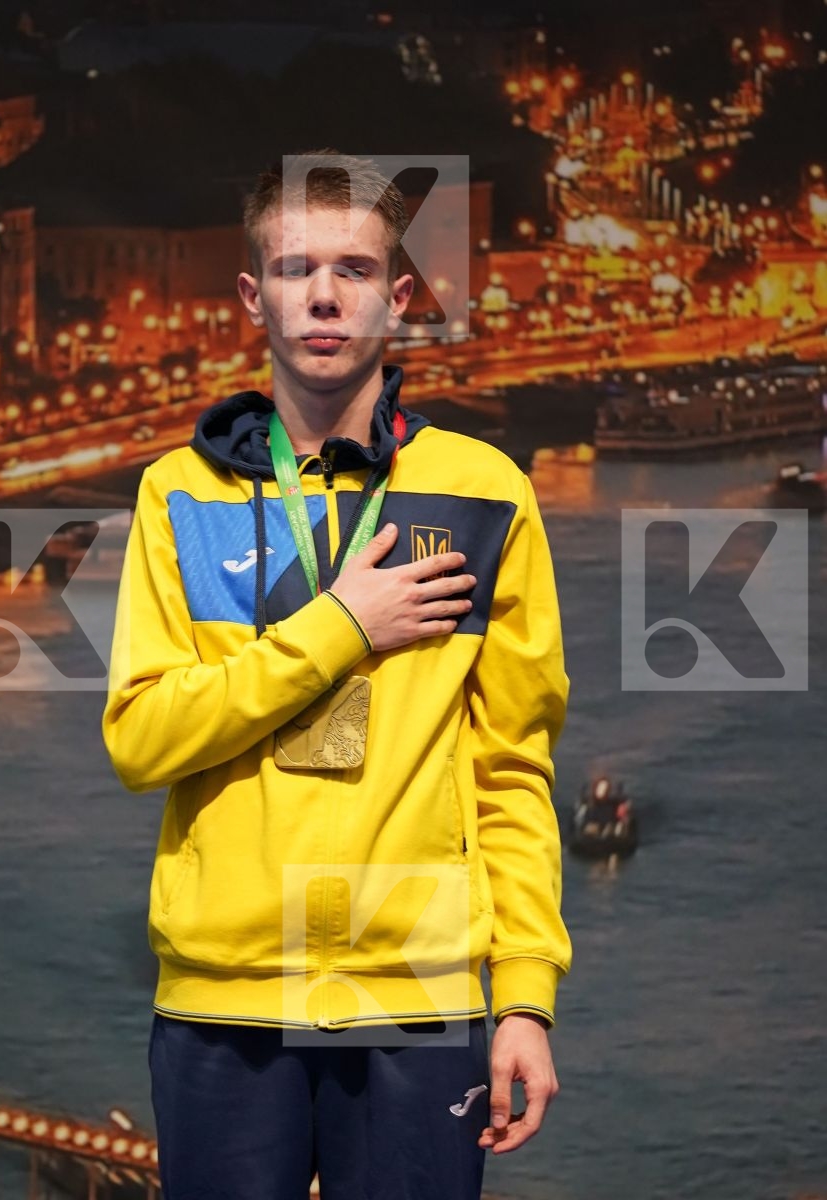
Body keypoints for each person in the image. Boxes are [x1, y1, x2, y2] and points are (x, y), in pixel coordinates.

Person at [102, 148, 572, 1200]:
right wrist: (341, 627)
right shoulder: (178, 493)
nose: (323, 295)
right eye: (295, 268)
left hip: (419, 1001)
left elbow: (511, 767)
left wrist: (524, 996)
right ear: (252, 296)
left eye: (354, 270)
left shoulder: (486, 492)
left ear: (398, 297)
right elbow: (140, 739)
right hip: (223, 1000)